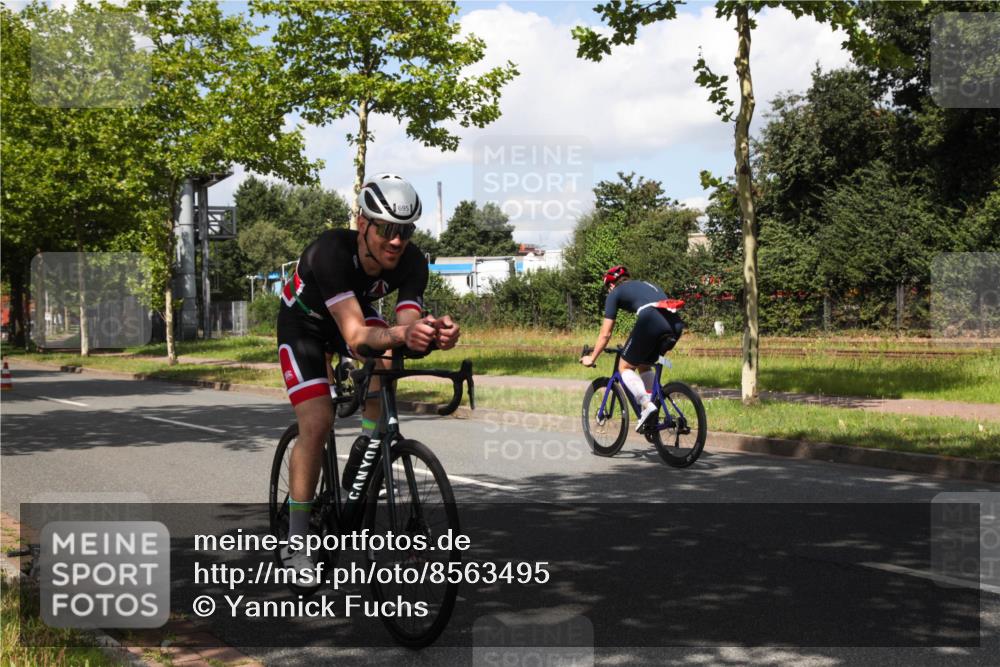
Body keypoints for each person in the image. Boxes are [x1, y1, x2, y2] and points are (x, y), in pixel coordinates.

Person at [276, 173, 460, 576]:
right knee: (318, 421)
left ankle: (368, 443)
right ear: (363, 223)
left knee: (392, 352)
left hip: (352, 315)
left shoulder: (412, 261)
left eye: (406, 230)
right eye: (387, 229)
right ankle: (296, 541)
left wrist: (432, 334)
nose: (397, 241)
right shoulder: (330, 251)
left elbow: (404, 326)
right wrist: (402, 333)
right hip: (305, 326)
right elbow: (358, 337)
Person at [580, 266, 684, 431]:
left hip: (652, 319)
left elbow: (605, 334)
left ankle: (646, 404)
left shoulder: (615, 293)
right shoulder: (646, 285)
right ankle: (652, 407)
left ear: (611, 285)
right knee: (643, 364)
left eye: (608, 288)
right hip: (676, 324)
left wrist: (592, 357)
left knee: (625, 366)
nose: (609, 291)